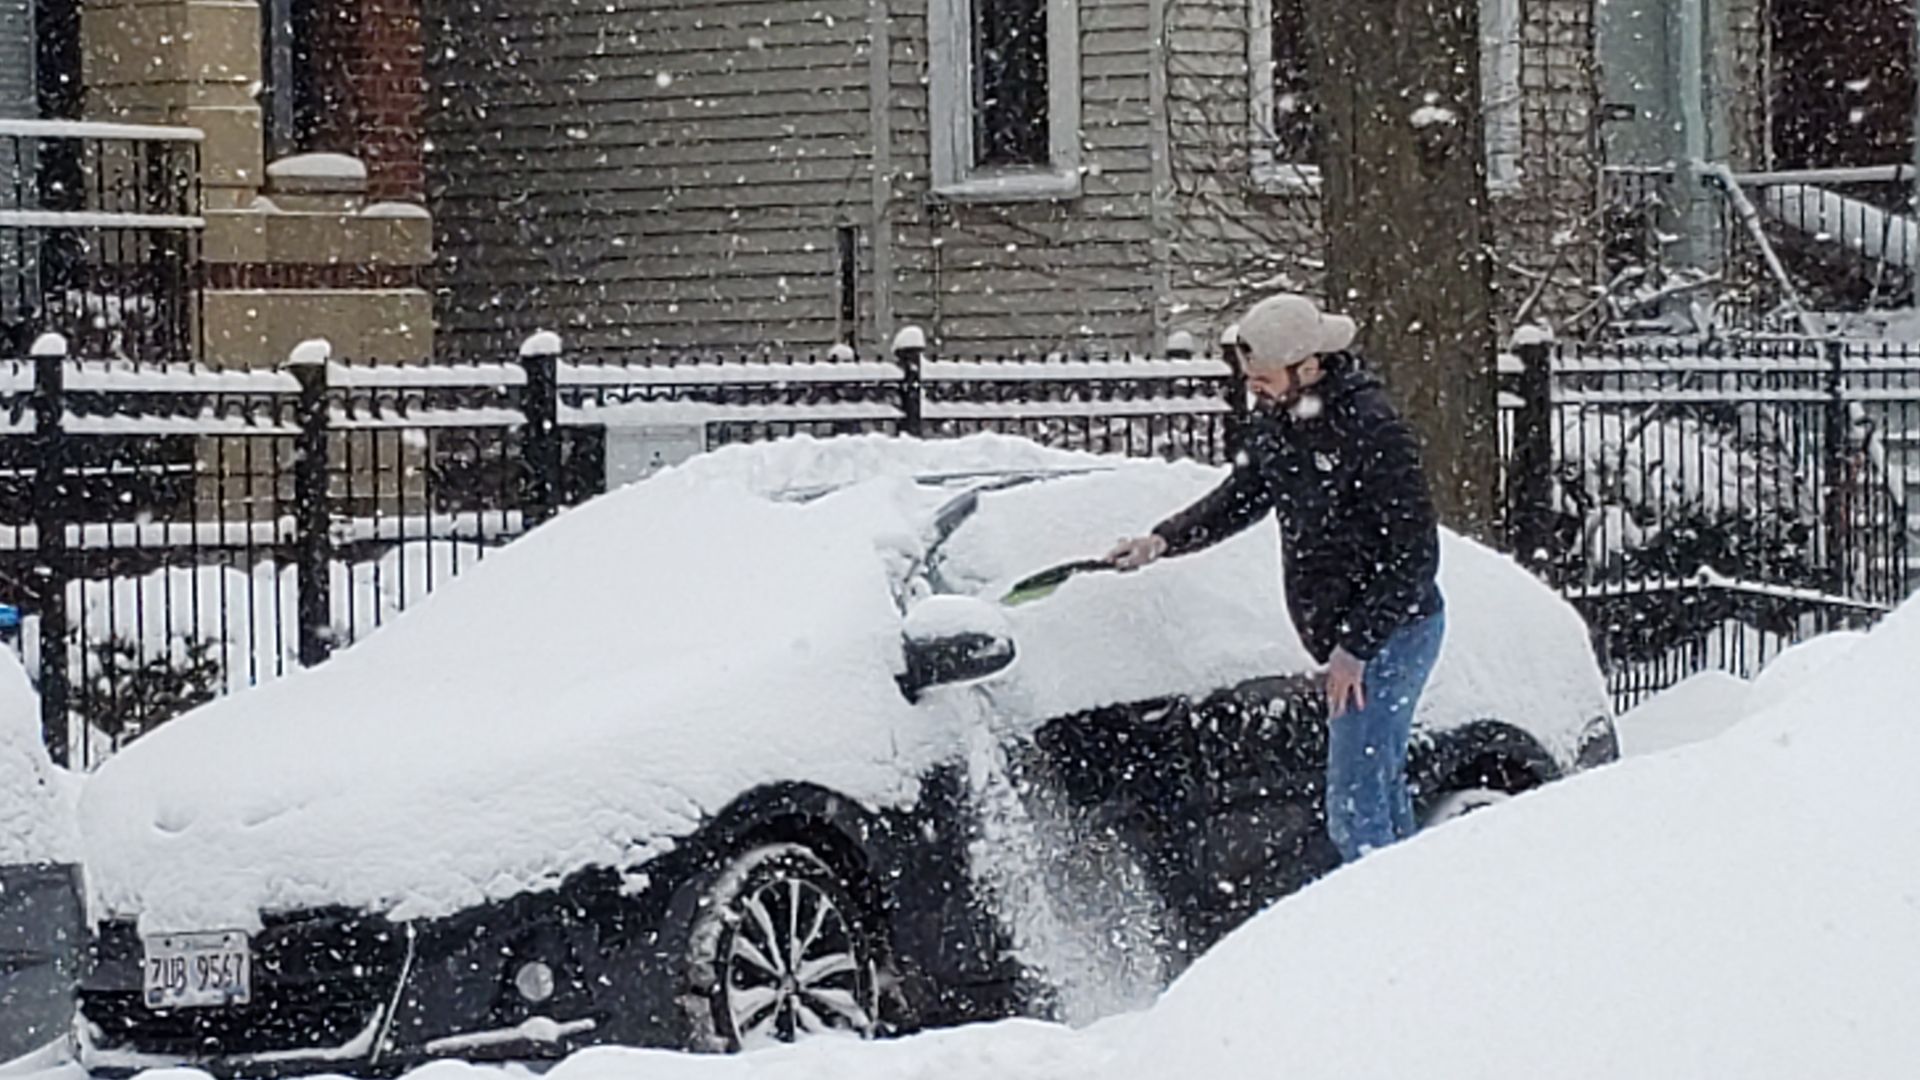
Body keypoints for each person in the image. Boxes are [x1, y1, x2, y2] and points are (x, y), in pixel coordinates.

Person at [1106, 294, 1445, 863]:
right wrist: (1162, 539)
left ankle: (1387, 926)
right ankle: (1411, 905)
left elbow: (1415, 556)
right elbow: (1242, 496)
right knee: (1376, 789)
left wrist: (1356, 647)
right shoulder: (1282, 421)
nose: (1253, 391)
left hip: (1395, 632)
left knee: (1355, 808)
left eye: (1263, 379)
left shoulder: (1372, 429)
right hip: (1351, 634)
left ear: (1308, 366)